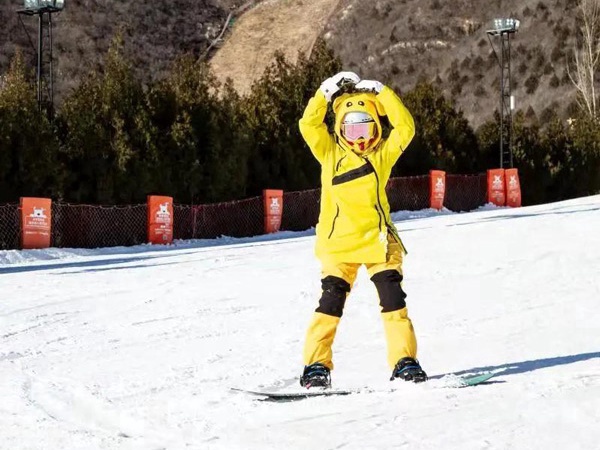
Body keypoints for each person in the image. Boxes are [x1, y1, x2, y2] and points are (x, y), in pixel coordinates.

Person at [297, 71, 427, 389]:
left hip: (378, 241)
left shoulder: (381, 156)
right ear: (340, 129)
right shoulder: (330, 154)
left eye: (365, 126)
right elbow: (308, 125)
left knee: (393, 299)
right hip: (338, 244)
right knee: (331, 301)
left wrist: (383, 93)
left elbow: (406, 128)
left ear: (376, 127)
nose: (359, 136)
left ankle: (404, 361)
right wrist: (324, 93)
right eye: (351, 127)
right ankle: (315, 365)